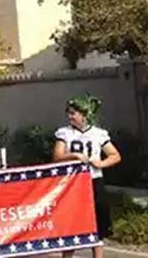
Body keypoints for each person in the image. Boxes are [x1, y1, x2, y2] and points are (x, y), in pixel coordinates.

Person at [54, 95, 121, 258]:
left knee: (97, 227)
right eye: (69, 113)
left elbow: (115, 155)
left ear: (84, 114)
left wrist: (100, 163)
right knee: (72, 225)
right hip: (73, 183)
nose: (70, 117)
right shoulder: (65, 133)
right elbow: (57, 156)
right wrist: (74, 155)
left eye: (73, 113)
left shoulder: (99, 134)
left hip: (94, 181)